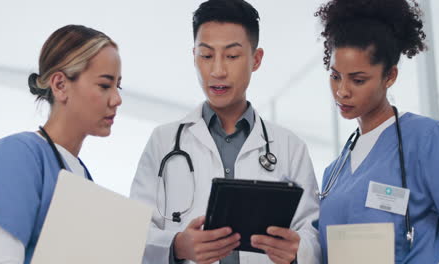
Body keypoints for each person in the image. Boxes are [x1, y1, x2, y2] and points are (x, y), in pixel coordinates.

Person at [130, 0, 321, 263]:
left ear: (256, 59)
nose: (217, 71)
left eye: (231, 56)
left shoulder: (290, 148)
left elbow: (313, 234)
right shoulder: (163, 142)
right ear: (194, 56)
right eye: (206, 56)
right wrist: (176, 246)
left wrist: (298, 251)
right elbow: (134, 234)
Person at [314, 0, 439, 263]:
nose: (342, 91)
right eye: (335, 76)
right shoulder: (333, 172)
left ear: (389, 76)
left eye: (358, 80)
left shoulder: (426, 139)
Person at [0, 25, 122, 264]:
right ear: (60, 85)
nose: (117, 99)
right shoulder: (18, 155)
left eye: (117, 86)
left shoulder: (81, 175)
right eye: (104, 85)